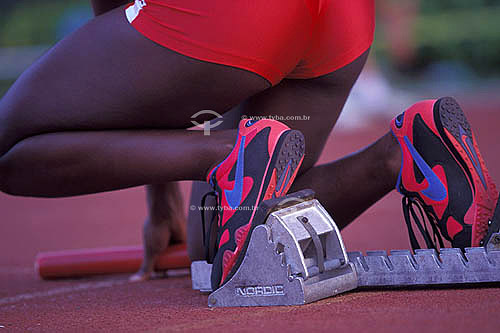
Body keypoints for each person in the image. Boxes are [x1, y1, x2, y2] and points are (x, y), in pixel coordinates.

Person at [0, 0, 497, 288]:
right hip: (341, 18)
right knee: (213, 240)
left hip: (235, 15)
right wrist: (167, 205)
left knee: (9, 147)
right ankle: (400, 155)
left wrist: (163, 197)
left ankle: (227, 155)